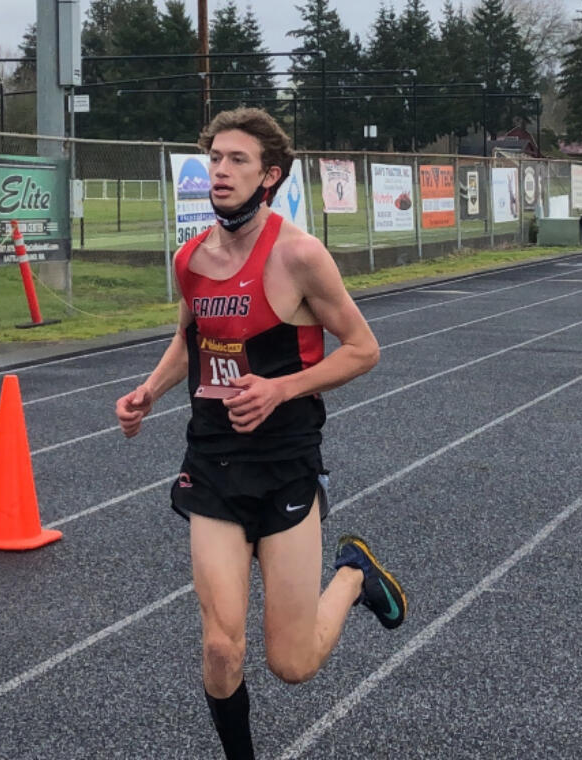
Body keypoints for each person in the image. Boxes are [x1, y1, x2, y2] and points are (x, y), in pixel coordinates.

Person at [115, 108, 407, 760]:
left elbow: (363, 350)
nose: (220, 169)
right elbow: (188, 340)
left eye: (237, 159)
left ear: (269, 175)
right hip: (213, 461)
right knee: (220, 647)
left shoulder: (300, 255)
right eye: (215, 157)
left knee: (292, 663)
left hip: (285, 464)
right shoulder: (190, 258)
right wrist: (148, 392)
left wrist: (281, 388)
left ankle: (354, 573)